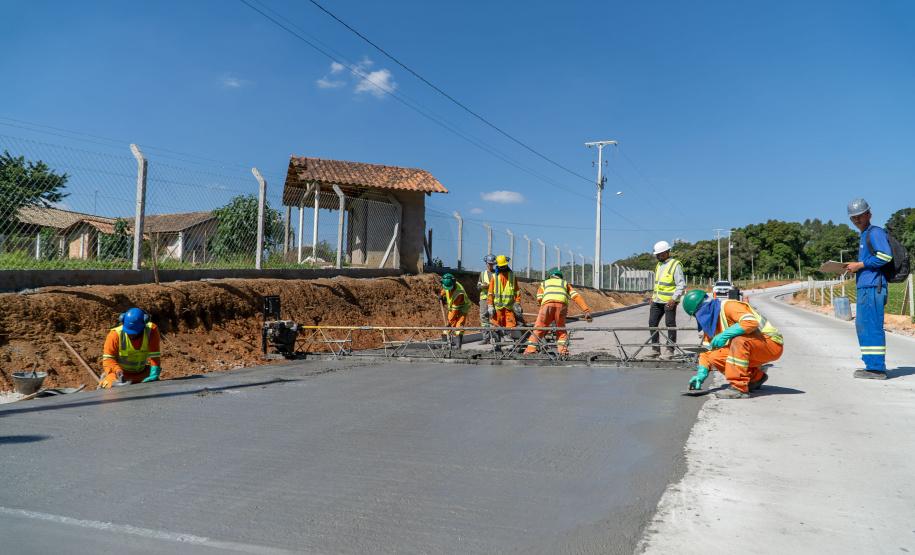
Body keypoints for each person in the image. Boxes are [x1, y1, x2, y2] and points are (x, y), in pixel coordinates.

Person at [682, 289, 783, 399]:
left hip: (770, 344)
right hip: (751, 348)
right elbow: (707, 351)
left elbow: (751, 322)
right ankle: (754, 378)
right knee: (715, 357)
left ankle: (739, 388)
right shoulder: (711, 323)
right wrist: (701, 374)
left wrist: (724, 335)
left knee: (739, 339)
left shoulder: (729, 306)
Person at [844, 198, 892, 380]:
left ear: (869, 215)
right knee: (864, 326)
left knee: (872, 326)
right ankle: (871, 365)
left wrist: (860, 265)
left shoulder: (875, 232)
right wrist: (855, 267)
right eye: (853, 217)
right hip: (866, 287)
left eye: (860, 216)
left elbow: (885, 256)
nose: (857, 219)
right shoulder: (865, 234)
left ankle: (877, 368)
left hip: (873, 287)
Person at [523, 270, 592, 356]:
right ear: (560, 277)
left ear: (550, 277)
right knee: (561, 330)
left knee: (539, 329)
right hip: (561, 306)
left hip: (547, 305)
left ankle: (529, 352)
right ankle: (563, 353)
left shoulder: (544, 283)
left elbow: (539, 297)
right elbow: (576, 296)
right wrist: (586, 311)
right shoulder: (564, 283)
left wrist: (545, 310)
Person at [101, 308, 162, 388]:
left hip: (141, 373)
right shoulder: (114, 335)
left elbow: (155, 354)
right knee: (111, 387)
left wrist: (154, 374)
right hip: (120, 375)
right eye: (128, 332)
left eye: (135, 332)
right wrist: (117, 370)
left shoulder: (151, 331)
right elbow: (108, 359)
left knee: (154, 387)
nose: (131, 335)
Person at [646, 240, 686, 360]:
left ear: (666, 252)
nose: (657, 257)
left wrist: (674, 298)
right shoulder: (659, 265)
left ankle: (670, 350)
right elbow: (658, 284)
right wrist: (653, 296)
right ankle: (655, 349)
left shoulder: (675, 265)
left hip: (669, 301)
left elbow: (681, 284)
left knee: (670, 325)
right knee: (652, 323)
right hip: (657, 300)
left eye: (659, 254)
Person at [486, 255, 522, 349]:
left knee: (511, 326)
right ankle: (497, 346)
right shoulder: (495, 277)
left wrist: (517, 303)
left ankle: (514, 347)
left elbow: (517, 292)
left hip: (508, 308)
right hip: (497, 308)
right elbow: (490, 293)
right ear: (498, 266)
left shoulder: (512, 276)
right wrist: (490, 305)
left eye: (504, 266)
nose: (503, 268)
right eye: (501, 267)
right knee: (495, 327)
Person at [440, 273, 471, 349]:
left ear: (453, 282)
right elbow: (445, 289)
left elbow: (454, 311)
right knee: (448, 327)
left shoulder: (458, 292)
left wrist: (450, 322)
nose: (448, 289)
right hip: (453, 308)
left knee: (459, 326)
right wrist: (441, 294)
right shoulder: (448, 284)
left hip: (462, 308)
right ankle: (444, 345)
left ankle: (458, 347)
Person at [478, 254, 497, 344]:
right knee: (484, 317)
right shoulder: (483, 274)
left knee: (495, 317)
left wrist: (490, 285)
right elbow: (478, 286)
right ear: (486, 263)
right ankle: (486, 337)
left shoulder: (497, 274)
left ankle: (496, 337)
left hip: (494, 298)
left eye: (491, 263)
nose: (490, 265)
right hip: (484, 298)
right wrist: (482, 285)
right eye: (489, 263)